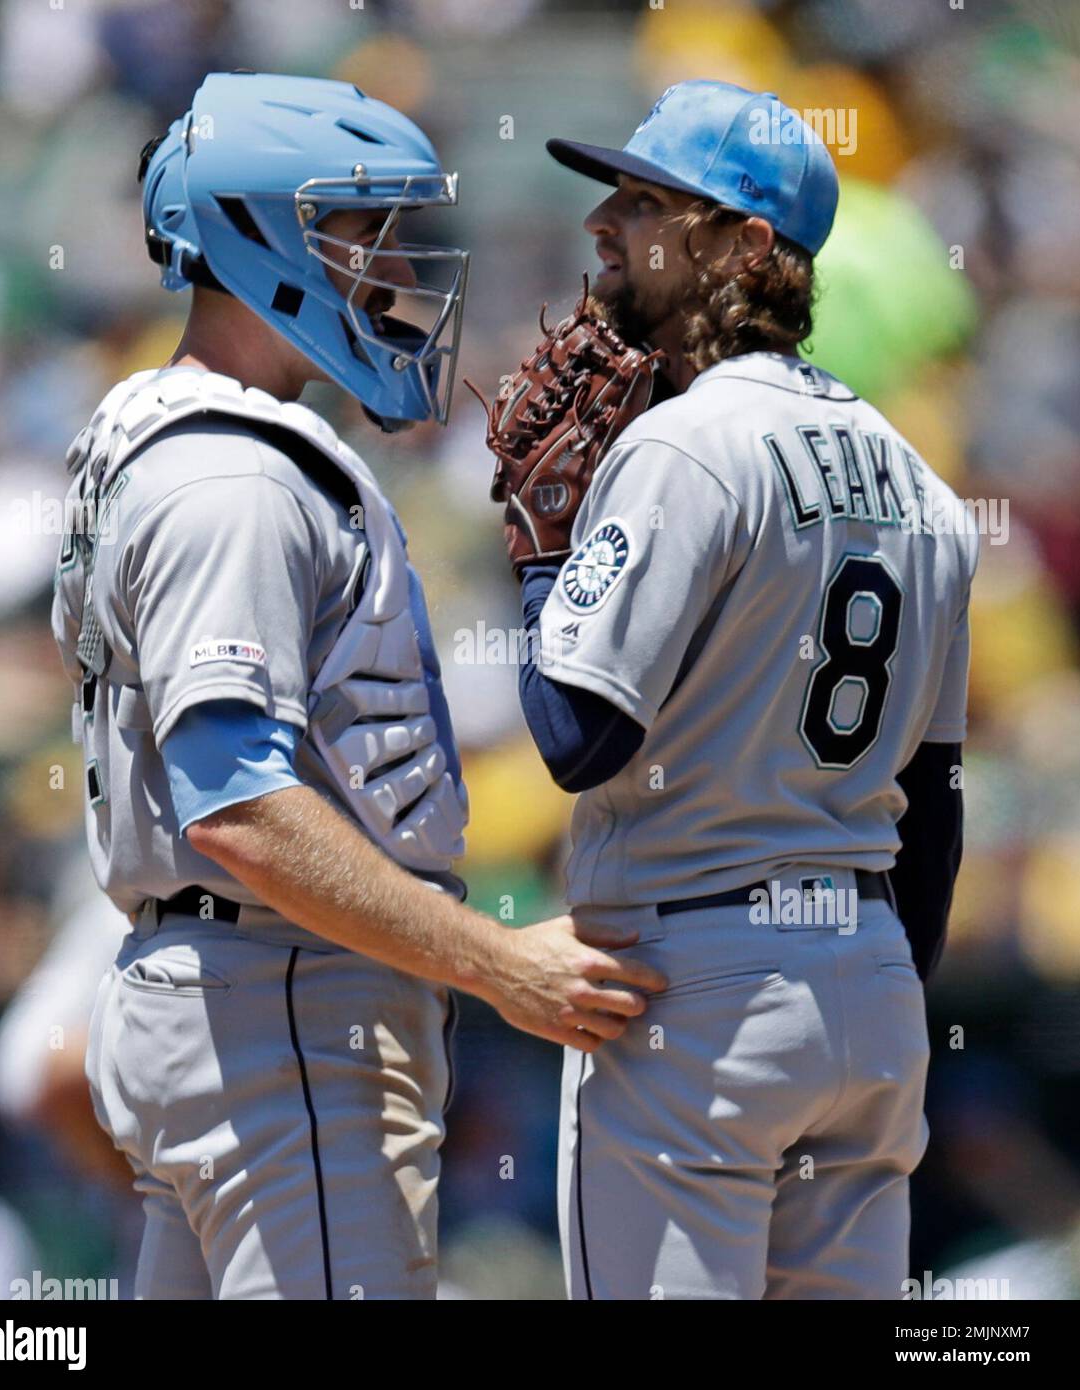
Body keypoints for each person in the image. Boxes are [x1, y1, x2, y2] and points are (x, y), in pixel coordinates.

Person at [52, 72, 664, 1301]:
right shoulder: (231, 476)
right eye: (354, 228)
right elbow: (240, 809)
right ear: (257, 229)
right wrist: (498, 962)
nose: (386, 265)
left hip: (229, 1002)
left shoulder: (171, 434)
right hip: (281, 1005)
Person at [509, 78, 977, 1299]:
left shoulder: (681, 443)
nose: (605, 221)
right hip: (867, 978)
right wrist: (864, 992)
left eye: (650, 200)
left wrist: (540, 553)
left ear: (747, 245)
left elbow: (575, 733)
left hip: (695, 989)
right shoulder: (919, 484)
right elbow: (931, 797)